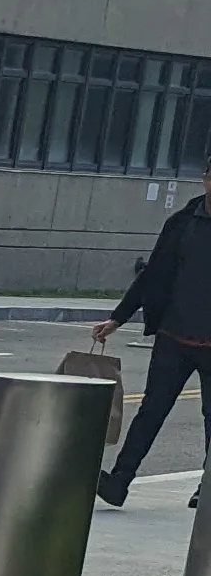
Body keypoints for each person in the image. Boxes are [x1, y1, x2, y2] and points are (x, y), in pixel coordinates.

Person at [93, 175, 211, 505]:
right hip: (173, 337)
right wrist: (118, 317)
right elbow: (154, 275)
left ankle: (208, 488)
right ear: (206, 180)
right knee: (151, 411)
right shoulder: (182, 224)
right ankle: (119, 482)